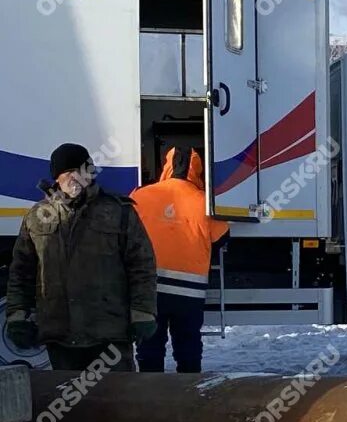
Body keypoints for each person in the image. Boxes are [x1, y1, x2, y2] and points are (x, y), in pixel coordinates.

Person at [5, 143, 157, 371]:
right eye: (67, 172)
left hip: (108, 334)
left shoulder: (119, 212)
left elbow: (141, 265)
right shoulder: (36, 217)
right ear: (57, 177)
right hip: (60, 335)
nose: (74, 178)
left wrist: (143, 313)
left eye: (80, 171)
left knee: (116, 402)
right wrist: (17, 315)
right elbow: (21, 271)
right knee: (68, 404)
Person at [130, 146, 230, 373]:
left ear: (166, 166)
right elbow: (222, 237)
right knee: (188, 348)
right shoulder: (205, 202)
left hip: (149, 289)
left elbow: (124, 235)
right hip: (189, 293)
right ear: (197, 170)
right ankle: (188, 394)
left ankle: (148, 395)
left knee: (149, 346)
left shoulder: (140, 195)